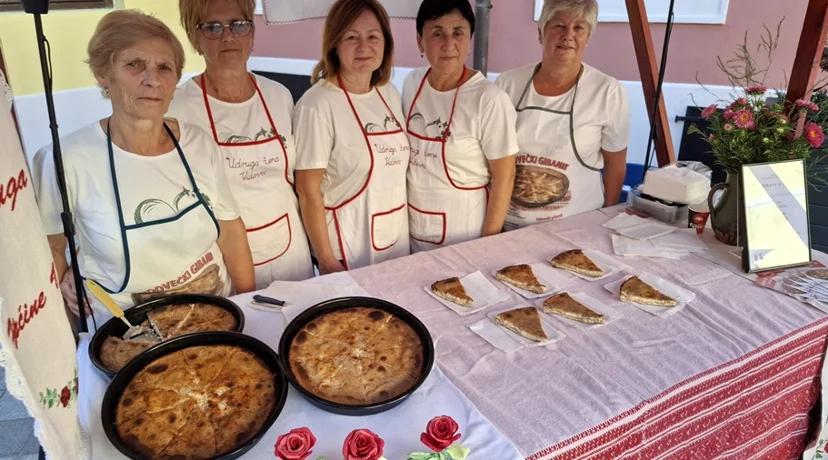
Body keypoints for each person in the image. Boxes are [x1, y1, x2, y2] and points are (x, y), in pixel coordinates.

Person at [32, 10, 255, 327]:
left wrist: (248, 309)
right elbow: (53, 252)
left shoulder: (198, 143)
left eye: (165, 67)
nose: (153, 79)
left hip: (215, 318)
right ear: (102, 73)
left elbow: (231, 233)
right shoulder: (63, 159)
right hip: (125, 333)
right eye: (134, 65)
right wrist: (66, 343)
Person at [168, 0, 313, 288]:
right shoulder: (177, 109)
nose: (228, 36)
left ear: (252, 33)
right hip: (226, 256)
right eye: (211, 27)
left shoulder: (279, 95)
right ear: (193, 38)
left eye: (238, 24)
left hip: (292, 249)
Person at [294, 0, 410, 274]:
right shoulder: (317, 105)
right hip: (346, 249)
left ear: (386, 44)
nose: (363, 47)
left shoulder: (389, 93)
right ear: (334, 44)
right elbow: (308, 191)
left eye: (373, 36)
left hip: (395, 241)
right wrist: (327, 260)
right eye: (351, 37)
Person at [495, 0, 629, 229]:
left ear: (588, 38)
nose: (568, 35)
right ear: (541, 33)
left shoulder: (606, 91)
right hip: (509, 227)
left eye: (579, 28)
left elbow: (614, 163)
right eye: (558, 26)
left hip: (577, 227)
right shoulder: (508, 84)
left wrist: (603, 220)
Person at [403, 0, 517, 253]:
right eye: (436, 33)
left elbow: (504, 177)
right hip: (411, 230)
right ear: (420, 41)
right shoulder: (412, 83)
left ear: (469, 39)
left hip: (465, 233)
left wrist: (486, 244)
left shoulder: (488, 99)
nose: (448, 43)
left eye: (458, 32)